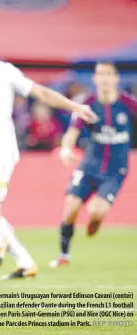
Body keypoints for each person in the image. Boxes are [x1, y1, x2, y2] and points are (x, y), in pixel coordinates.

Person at [0, 24, 98, 279]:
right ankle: (25, 261)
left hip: (1, 152)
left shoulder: (3, 71)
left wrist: (73, 106)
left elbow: (39, 92)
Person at [50, 62, 137, 268]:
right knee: (70, 209)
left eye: (108, 74)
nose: (104, 79)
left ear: (116, 78)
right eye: (100, 74)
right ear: (95, 79)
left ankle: (95, 221)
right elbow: (72, 132)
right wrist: (66, 148)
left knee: (96, 213)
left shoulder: (127, 103)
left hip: (115, 171)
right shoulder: (86, 103)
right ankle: (64, 256)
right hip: (89, 166)